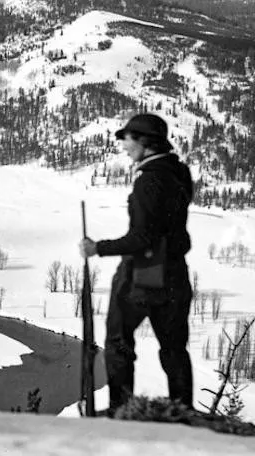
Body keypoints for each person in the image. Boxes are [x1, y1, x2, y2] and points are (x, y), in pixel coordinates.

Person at [80, 113, 194, 415]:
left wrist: (97, 248)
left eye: (128, 139)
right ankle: (183, 410)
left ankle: (121, 409)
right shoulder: (178, 173)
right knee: (173, 348)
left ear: (144, 142)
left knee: (117, 341)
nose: (125, 146)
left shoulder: (148, 181)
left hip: (143, 275)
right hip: (175, 274)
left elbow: (142, 237)